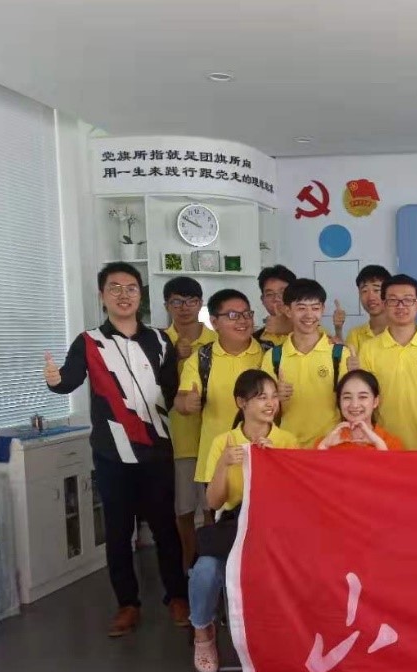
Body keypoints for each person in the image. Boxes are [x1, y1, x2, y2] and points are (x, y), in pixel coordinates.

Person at [44, 262, 188, 637]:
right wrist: (56, 381)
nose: (124, 295)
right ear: (102, 295)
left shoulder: (160, 340)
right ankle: (128, 604)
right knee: (119, 531)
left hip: (156, 450)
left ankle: (177, 596)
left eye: (131, 288)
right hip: (112, 454)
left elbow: (171, 389)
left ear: (141, 295)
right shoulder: (89, 341)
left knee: (165, 528)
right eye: (115, 288)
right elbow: (69, 380)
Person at [190, 369, 298, 672]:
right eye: (261, 397)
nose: (270, 403)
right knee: (205, 571)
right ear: (241, 402)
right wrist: (224, 464)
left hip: (273, 528)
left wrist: (277, 462)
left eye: (274, 396)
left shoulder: (287, 440)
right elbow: (213, 503)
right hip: (234, 527)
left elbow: (295, 499)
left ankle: (280, 640)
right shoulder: (223, 442)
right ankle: (202, 632)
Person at [177, 290, 269, 488]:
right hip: (217, 458)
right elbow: (181, 400)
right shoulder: (202, 359)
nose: (243, 321)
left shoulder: (268, 353)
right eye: (233, 315)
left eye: (247, 314)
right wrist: (187, 403)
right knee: (217, 508)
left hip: (262, 455)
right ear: (214, 322)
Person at [359, 274, 417, 449]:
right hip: (382, 446)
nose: (400, 306)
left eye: (408, 300)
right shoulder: (369, 348)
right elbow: (364, 401)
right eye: (393, 300)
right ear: (384, 304)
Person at [161, 277, 217, 571]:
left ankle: (210, 564)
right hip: (177, 439)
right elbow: (150, 387)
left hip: (213, 438)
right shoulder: (158, 341)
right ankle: (188, 565)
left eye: (191, 301)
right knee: (182, 509)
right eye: (177, 302)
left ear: (200, 304)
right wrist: (173, 358)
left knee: (212, 508)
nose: (184, 308)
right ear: (167, 305)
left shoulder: (217, 340)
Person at [259, 279, 348, 448]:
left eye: (315, 308)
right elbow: (262, 408)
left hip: (330, 446)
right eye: (301, 308)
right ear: (288, 310)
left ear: (322, 309)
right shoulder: (273, 357)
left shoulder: (340, 354)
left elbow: (350, 404)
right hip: (286, 446)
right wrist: (275, 397)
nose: (309, 315)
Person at [316, 370, 404, 451]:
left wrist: (379, 445)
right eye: (347, 397)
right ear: (339, 402)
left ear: (375, 402)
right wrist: (323, 447)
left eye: (363, 397)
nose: (354, 405)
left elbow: (392, 463)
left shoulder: (392, 443)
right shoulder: (326, 443)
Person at [344, 265, 391, 355]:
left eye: (376, 290)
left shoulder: (400, 331)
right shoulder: (355, 335)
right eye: (364, 291)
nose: (371, 297)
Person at [253, 264, 297, 346]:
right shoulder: (255, 340)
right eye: (269, 294)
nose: (276, 298)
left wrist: (291, 328)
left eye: (283, 292)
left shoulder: (315, 332)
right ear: (263, 300)